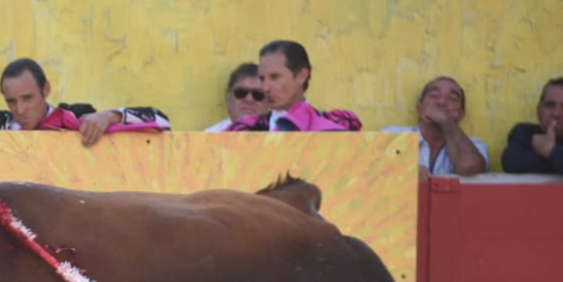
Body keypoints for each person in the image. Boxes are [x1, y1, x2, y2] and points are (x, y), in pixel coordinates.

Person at [0, 58, 171, 143]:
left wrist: (112, 116)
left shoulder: (78, 117)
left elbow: (162, 122)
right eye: (11, 101)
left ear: (46, 89)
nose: (20, 110)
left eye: (27, 98)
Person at [232, 40, 362, 131]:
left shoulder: (336, 127)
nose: (265, 87)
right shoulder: (246, 130)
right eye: (262, 78)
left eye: (275, 77)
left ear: (302, 76)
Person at [385, 77, 490, 177]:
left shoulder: (475, 145)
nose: (441, 102)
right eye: (434, 95)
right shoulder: (394, 134)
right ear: (419, 109)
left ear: (461, 114)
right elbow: (376, 169)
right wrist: (407, 170)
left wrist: (447, 122)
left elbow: (470, 168)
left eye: (453, 98)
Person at [502, 78, 563, 181]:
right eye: (550, 105)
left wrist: (551, 151)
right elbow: (511, 162)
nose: (556, 114)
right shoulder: (524, 133)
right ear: (538, 111)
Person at [204, 63, 266, 131]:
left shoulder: (277, 136)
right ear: (228, 97)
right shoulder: (209, 138)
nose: (249, 99)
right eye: (241, 92)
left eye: (258, 94)